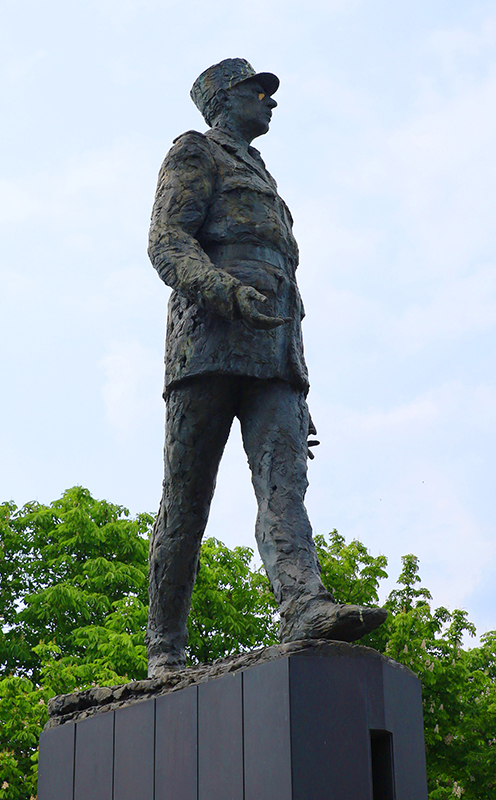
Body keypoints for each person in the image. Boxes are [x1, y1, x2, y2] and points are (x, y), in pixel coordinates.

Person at [145, 58, 386, 678]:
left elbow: (287, 285)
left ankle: (304, 606)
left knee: (286, 486)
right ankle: (165, 647)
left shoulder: (266, 178)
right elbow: (167, 242)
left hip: (275, 357)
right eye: (259, 91)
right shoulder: (196, 152)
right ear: (226, 98)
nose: (270, 101)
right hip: (207, 348)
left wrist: (298, 382)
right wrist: (224, 291)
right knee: (187, 499)